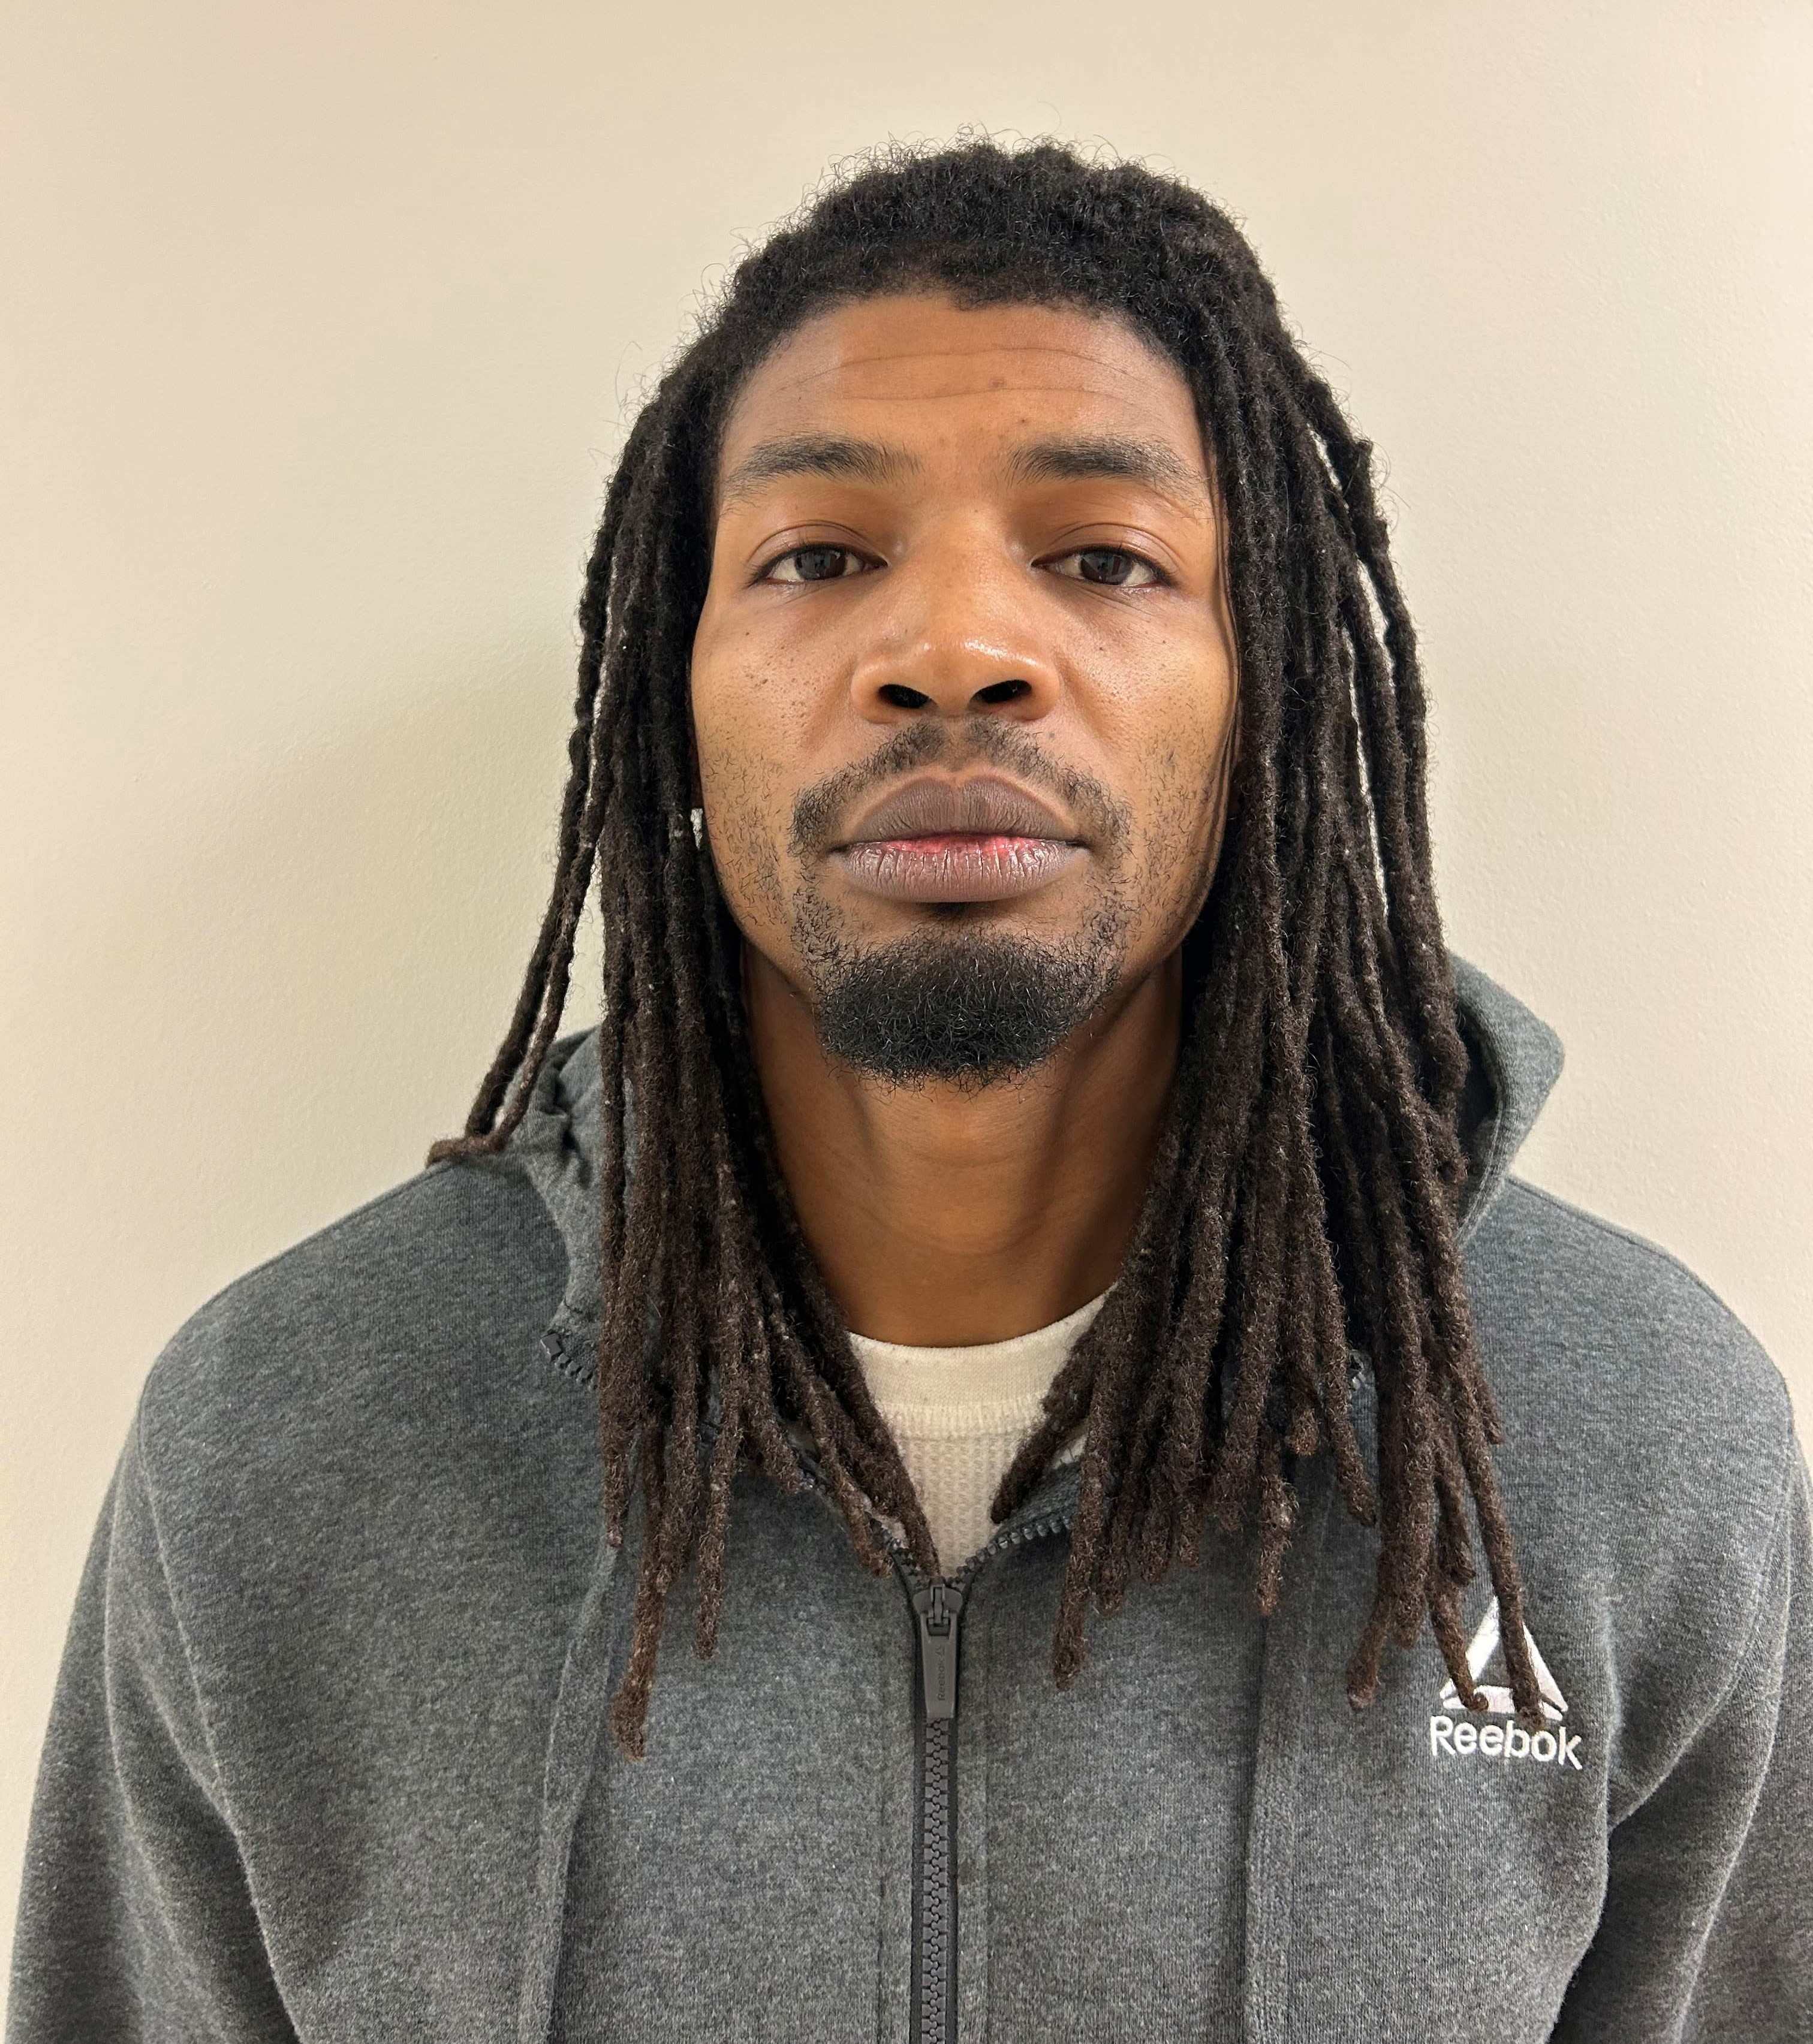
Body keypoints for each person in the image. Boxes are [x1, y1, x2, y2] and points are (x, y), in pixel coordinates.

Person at [9, 135, 1811, 2043]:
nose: (954, 650)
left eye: (1104, 558)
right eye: (819, 557)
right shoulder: (287, 1445)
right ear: (672, 687)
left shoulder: (1630, 1450)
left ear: (1266, 682)